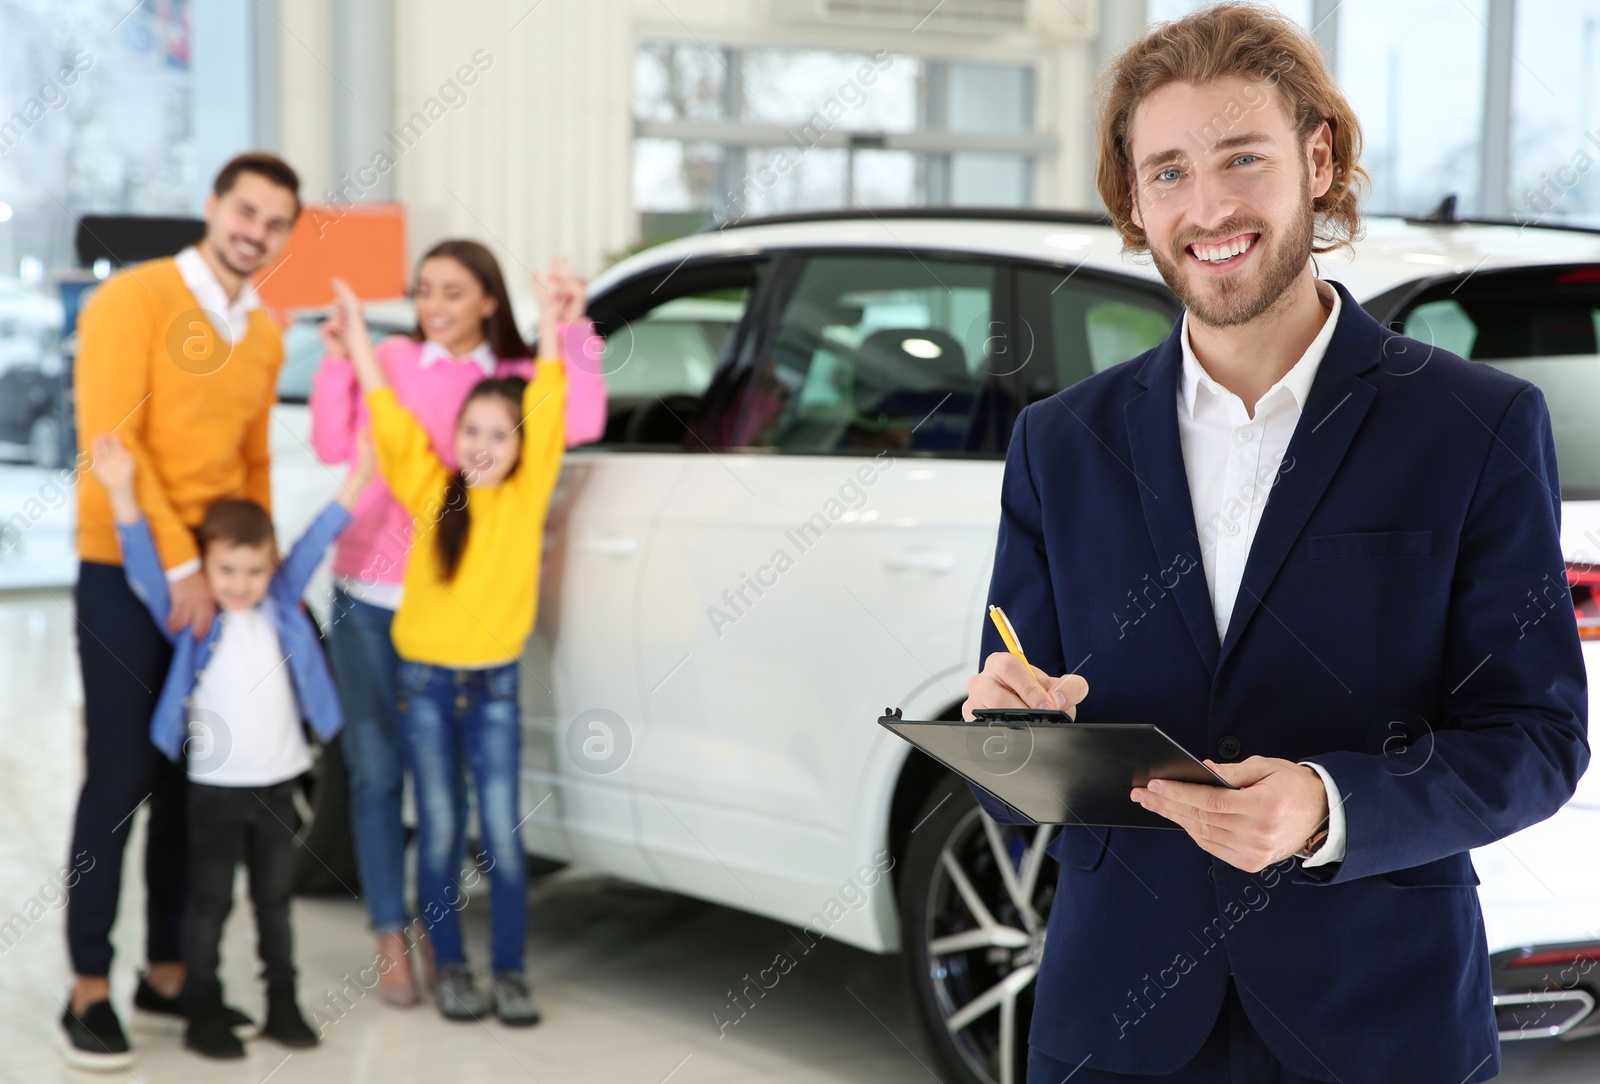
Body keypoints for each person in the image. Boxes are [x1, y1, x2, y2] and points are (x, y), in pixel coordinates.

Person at [960, 6, 1588, 1082]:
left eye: (1240, 157)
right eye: (1166, 172)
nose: (1206, 207)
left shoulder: (1472, 424)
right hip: (1118, 1021)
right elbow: (1016, 743)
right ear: (1132, 199)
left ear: (1317, 159)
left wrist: (1330, 806)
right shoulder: (1060, 444)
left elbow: (1533, 738)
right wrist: (1002, 737)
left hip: (1380, 1019)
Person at [309, 240, 604, 1005]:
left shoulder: (511, 392)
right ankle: (394, 939)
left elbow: (578, 413)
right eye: (423, 290)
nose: (434, 305)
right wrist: (349, 348)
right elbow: (344, 440)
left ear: (489, 301)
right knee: (384, 784)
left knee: (485, 825)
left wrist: (570, 325)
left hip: (475, 653)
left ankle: (491, 964)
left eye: (453, 291)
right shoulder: (400, 362)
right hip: (377, 608)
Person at [62, 151, 301, 1070]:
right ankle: (86, 985)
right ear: (214, 206)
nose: (257, 232)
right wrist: (176, 565)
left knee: (185, 789)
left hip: (215, 584)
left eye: (276, 223)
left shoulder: (267, 333)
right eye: (246, 211)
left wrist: (259, 570)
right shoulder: (132, 301)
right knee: (119, 777)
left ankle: (167, 976)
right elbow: (112, 438)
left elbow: (252, 470)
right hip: (123, 568)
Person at [88, 431, 373, 1058]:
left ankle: (282, 1004)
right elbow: (143, 570)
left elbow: (320, 536)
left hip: (277, 782)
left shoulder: (281, 604)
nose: (241, 583)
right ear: (205, 566)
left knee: (274, 901)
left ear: (272, 566)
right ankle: (202, 1011)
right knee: (209, 903)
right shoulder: (195, 618)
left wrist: (359, 476)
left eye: (254, 570)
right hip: (216, 789)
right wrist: (123, 495)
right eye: (226, 571)